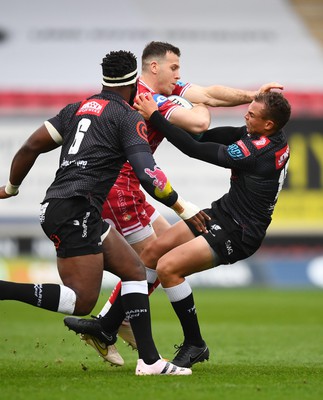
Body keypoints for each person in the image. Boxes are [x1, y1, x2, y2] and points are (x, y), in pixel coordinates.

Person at [0, 50, 212, 376]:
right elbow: (147, 174)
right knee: (82, 301)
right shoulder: (127, 117)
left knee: (136, 271)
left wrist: (11, 187)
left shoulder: (76, 109)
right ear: (133, 84)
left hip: (72, 208)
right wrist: (183, 207)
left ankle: (150, 362)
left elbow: (31, 146)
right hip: (74, 211)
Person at [72, 41, 283, 365]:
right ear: (154, 67)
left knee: (162, 265)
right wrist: (251, 96)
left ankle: (183, 341)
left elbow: (202, 122)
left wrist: (165, 115)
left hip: (236, 227)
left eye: (253, 114)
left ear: (267, 124)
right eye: (175, 68)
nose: (179, 75)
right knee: (151, 256)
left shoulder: (255, 148)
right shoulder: (153, 98)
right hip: (158, 197)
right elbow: (204, 117)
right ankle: (112, 323)